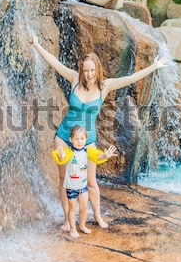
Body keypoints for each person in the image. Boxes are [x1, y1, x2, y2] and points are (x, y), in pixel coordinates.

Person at [31, 33, 168, 231]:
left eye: (92, 70)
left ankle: (97, 216)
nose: (89, 74)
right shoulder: (73, 79)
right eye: (86, 70)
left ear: (97, 70)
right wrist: (36, 44)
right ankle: (68, 221)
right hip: (64, 136)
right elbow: (53, 62)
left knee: (91, 181)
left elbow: (130, 78)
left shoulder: (105, 86)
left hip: (88, 140)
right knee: (64, 180)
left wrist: (153, 67)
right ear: (81, 70)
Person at [52, 125, 117, 238]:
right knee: (72, 208)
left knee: (84, 207)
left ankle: (82, 225)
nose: (79, 142)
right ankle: (72, 228)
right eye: (76, 139)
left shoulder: (88, 151)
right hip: (71, 186)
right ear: (71, 140)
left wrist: (105, 155)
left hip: (83, 186)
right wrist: (61, 155)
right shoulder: (69, 152)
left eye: (82, 139)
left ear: (86, 140)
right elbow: (62, 159)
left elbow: (98, 157)